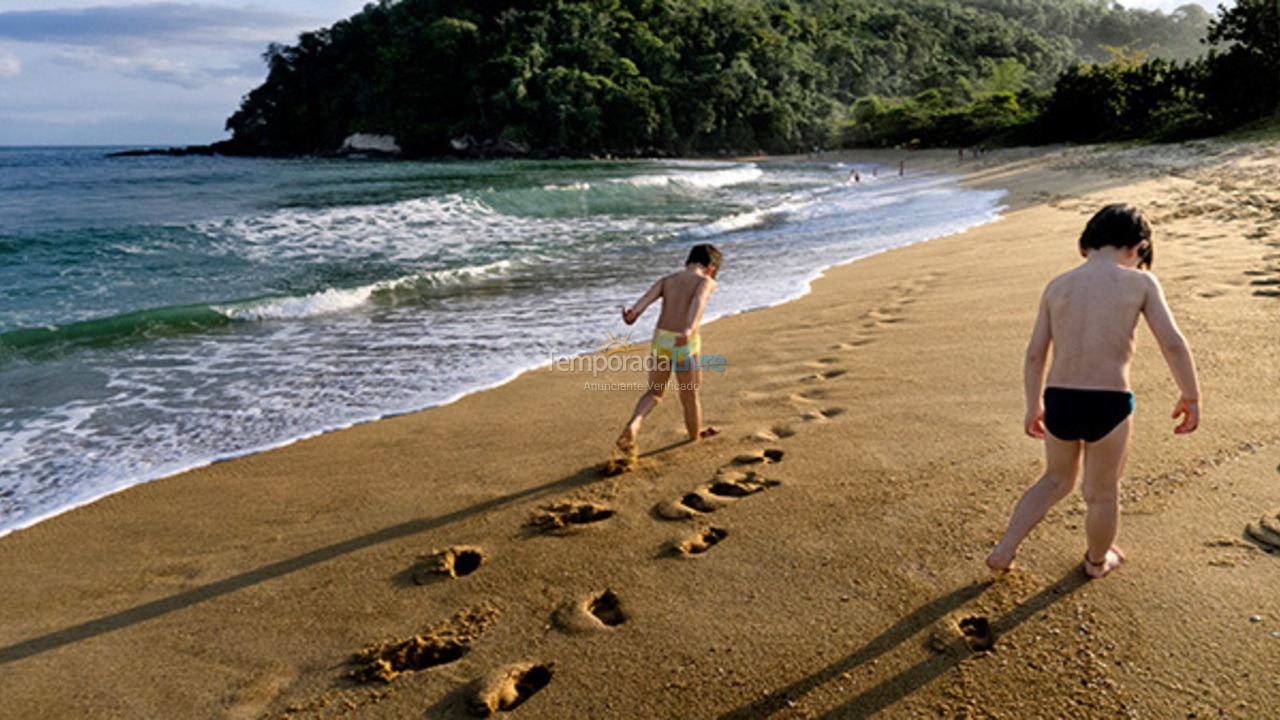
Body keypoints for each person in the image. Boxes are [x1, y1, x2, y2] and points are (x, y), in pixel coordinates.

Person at [986, 204, 1201, 578]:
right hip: (1109, 403)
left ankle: (1005, 549)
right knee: (1102, 493)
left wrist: (1032, 405)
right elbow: (1174, 344)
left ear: (1085, 246)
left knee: (1056, 480)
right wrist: (1191, 396)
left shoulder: (1058, 286)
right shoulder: (1141, 283)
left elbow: (1036, 353)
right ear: (1139, 248)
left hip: (1059, 400)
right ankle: (1097, 562)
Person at [615, 244, 722, 456]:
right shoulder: (706, 282)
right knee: (689, 394)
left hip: (660, 340)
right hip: (685, 341)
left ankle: (635, 424)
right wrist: (689, 328)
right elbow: (698, 303)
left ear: (687, 263)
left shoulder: (668, 280)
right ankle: (695, 436)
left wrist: (633, 314)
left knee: (654, 392)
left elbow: (645, 299)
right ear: (711, 268)